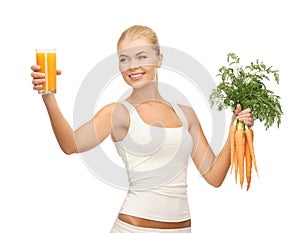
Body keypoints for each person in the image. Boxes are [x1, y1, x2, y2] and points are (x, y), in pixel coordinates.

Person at [30, 25, 254, 233]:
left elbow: (214, 177)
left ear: (159, 59)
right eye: (124, 59)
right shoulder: (118, 112)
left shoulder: (186, 114)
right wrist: (48, 96)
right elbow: (70, 145)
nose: (132, 66)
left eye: (142, 57)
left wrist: (236, 128)